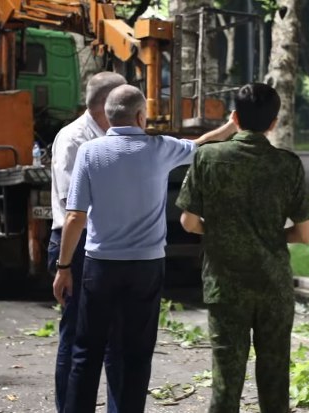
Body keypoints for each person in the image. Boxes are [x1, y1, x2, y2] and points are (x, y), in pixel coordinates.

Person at [53, 84, 237, 412]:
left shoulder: (90, 152)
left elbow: (74, 217)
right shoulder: (160, 148)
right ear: (141, 116)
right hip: (146, 267)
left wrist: (64, 267)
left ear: (109, 116)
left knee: (86, 351)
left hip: (100, 266)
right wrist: (231, 126)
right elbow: (201, 145)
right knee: (135, 354)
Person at [177, 82, 309, 413]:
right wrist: (268, 234)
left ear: (235, 117)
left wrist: (223, 231)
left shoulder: (208, 158)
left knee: (226, 381)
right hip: (273, 286)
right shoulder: (288, 164)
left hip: (225, 287)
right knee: (275, 378)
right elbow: (304, 234)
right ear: (274, 122)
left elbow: (188, 222)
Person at [48, 71, 126, 413]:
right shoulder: (74, 139)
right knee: (78, 336)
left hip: (106, 242)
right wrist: (64, 266)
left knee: (115, 338)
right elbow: (73, 209)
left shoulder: (114, 136)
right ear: (108, 103)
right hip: (76, 243)